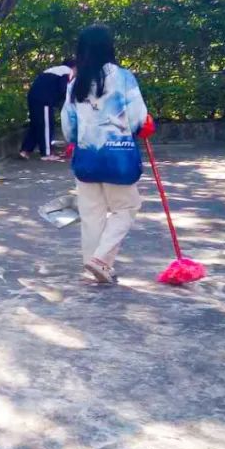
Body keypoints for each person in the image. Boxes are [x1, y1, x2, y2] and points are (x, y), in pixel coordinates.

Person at [61, 25, 155, 284]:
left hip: (86, 157)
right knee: (127, 207)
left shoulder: (76, 83)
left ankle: (95, 263)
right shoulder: (124, 78)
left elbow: (68, 126)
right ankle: (101, 260)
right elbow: (137, 117)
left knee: (91, 213)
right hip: (118, 157)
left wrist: (78, 139)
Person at [20, 59, 74, 160]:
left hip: (34, 97)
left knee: (36, 125)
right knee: (47, 126)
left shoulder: (54, 70)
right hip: (44, 100)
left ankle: (25, 150)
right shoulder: (67, 71)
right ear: (74, 67)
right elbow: (64, 90)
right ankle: (47, 153)